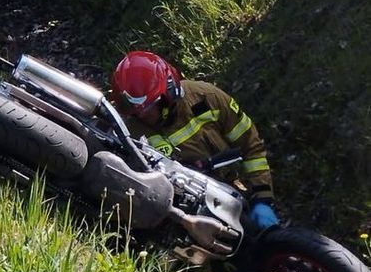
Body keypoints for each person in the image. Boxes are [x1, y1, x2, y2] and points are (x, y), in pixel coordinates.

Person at [111, 50, 278, 230]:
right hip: (173, 213)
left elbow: (250, 146)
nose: (144, 115)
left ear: (169, 89)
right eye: (136, 111)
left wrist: (262, 198)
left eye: (150, 106)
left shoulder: (208, 99)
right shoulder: (128, 130)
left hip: (231, 196)